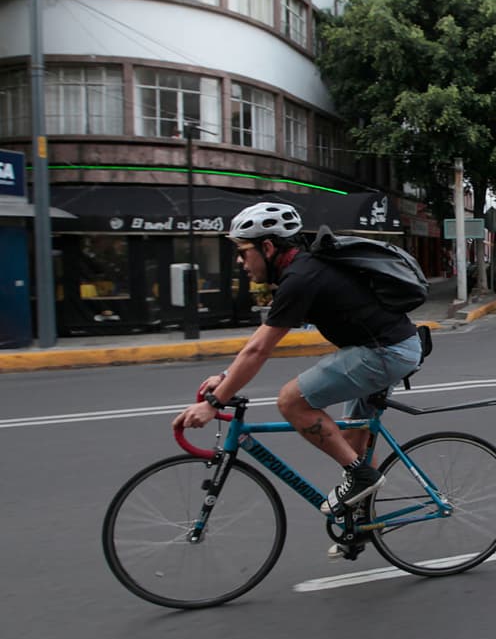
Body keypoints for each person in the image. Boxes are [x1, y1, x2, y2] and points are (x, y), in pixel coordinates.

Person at [172, 203, 423, 520]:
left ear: (267, 246)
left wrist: (212, 403)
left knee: (292, 401)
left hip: (386, 352)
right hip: (387, 347)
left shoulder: (301, 277)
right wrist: (226, 376)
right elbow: (261, 342)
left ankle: (362, 478)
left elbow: (259, 350)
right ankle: (362, 525)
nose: (239, 261)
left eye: (243, 251)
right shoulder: (303, 271)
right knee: (352, 446)